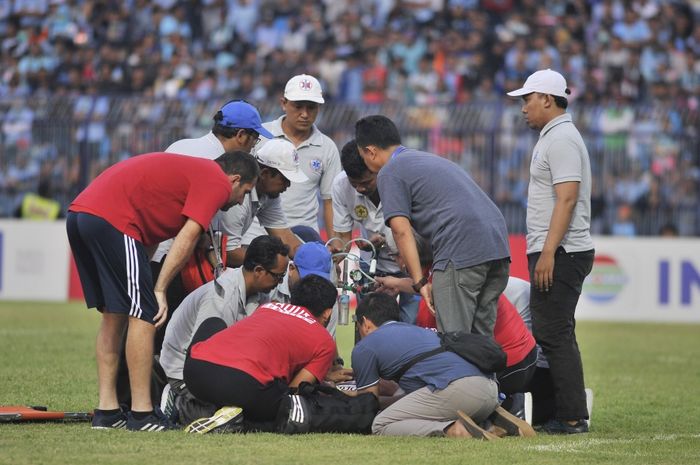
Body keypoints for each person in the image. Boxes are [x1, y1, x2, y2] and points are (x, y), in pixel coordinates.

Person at [66, 151, 259, 431]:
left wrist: (147, 276)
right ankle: (142, 413)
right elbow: (189, 236)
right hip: (113, 219)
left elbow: (151, 234)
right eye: (246, 191)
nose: (242, 200)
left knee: (114, 314)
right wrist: (159, 289)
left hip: (82, 214)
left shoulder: (192, 175)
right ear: (235, 178)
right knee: (144, 315)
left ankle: (107, 412)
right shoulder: (215, 181)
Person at [355, 115, 511, 337]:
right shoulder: (428, 159)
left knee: (454, 340)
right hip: (498, 247)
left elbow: (401, 230)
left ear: (370, 151)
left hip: (461, 249)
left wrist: (419, 282)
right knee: (481, 340)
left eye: (363, 156)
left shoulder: (389, 171)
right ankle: (487, 374)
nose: (365, 163)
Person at [507, 68, 595, 434]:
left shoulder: (560, 140)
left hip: (561, 251)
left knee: (553, 332)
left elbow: (568, 197)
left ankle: (572, 416)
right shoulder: (556, 136)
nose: (524, 108)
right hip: (559, 249)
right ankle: (568, 411)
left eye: (527, 100)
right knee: (556, 331)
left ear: (546, 98)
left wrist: (548, 252)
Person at [351, 293, 533, 438]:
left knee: (380, 424)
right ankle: (491, 422)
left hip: (459, 392)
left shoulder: (365, 347)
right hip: (489, 389)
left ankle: (452, 430)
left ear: (365, 322)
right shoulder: (417, 331)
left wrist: (345, 394)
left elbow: (368, 404)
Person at [152, 99, 273, 312]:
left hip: (154, 248)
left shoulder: (180, 145)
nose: (254, 146)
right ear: (241, 135)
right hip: (177, 260)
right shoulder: (217, 165)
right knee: (172, 335)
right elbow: (194, 226)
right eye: (254, 139)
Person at [182, 275, 338, 434]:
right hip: (244, 384)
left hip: (195, 372)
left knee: (214, 322)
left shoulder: (267, 307)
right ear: (328, 312)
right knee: (287, 406)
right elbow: (295, 390)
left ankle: (192, 406)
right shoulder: (325, 341)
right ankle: (239, 422)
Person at [159, 235, 289, 425]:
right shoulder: (221, 298)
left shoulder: (261, 294)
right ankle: (178, 401)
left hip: (220, 364)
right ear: (259, 271)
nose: (279, 282)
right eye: (278, 276)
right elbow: (203, 357)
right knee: (228, 418)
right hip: (185, 370)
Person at [332, 140, 420, 323]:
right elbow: (342, 238)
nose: (360, 189)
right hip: (369, 259)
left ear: (378, 168)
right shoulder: (340, 185)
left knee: (411, 323)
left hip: (410, 260)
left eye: (366, 182)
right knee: (368, 323)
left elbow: (411, 232)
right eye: (354, 184)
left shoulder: (402, 181)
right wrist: (332, 263)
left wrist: (403, 277)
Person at [245, 74, 341, 240]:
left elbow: (330, 200)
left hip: (304, 235)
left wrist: (333, 241)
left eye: (311, 107)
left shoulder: (327, 147)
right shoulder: (260, 136)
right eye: (298, 106)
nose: (304, 114)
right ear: (283, 104)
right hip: (256, 232)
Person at [220, 138, 305, 267]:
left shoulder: (269, 194)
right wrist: (275, 264)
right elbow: (229, 254)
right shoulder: (239, 197)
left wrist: (313, 256)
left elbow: (285, 237)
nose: (288, 185)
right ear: (264, 173)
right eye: (284, 179)